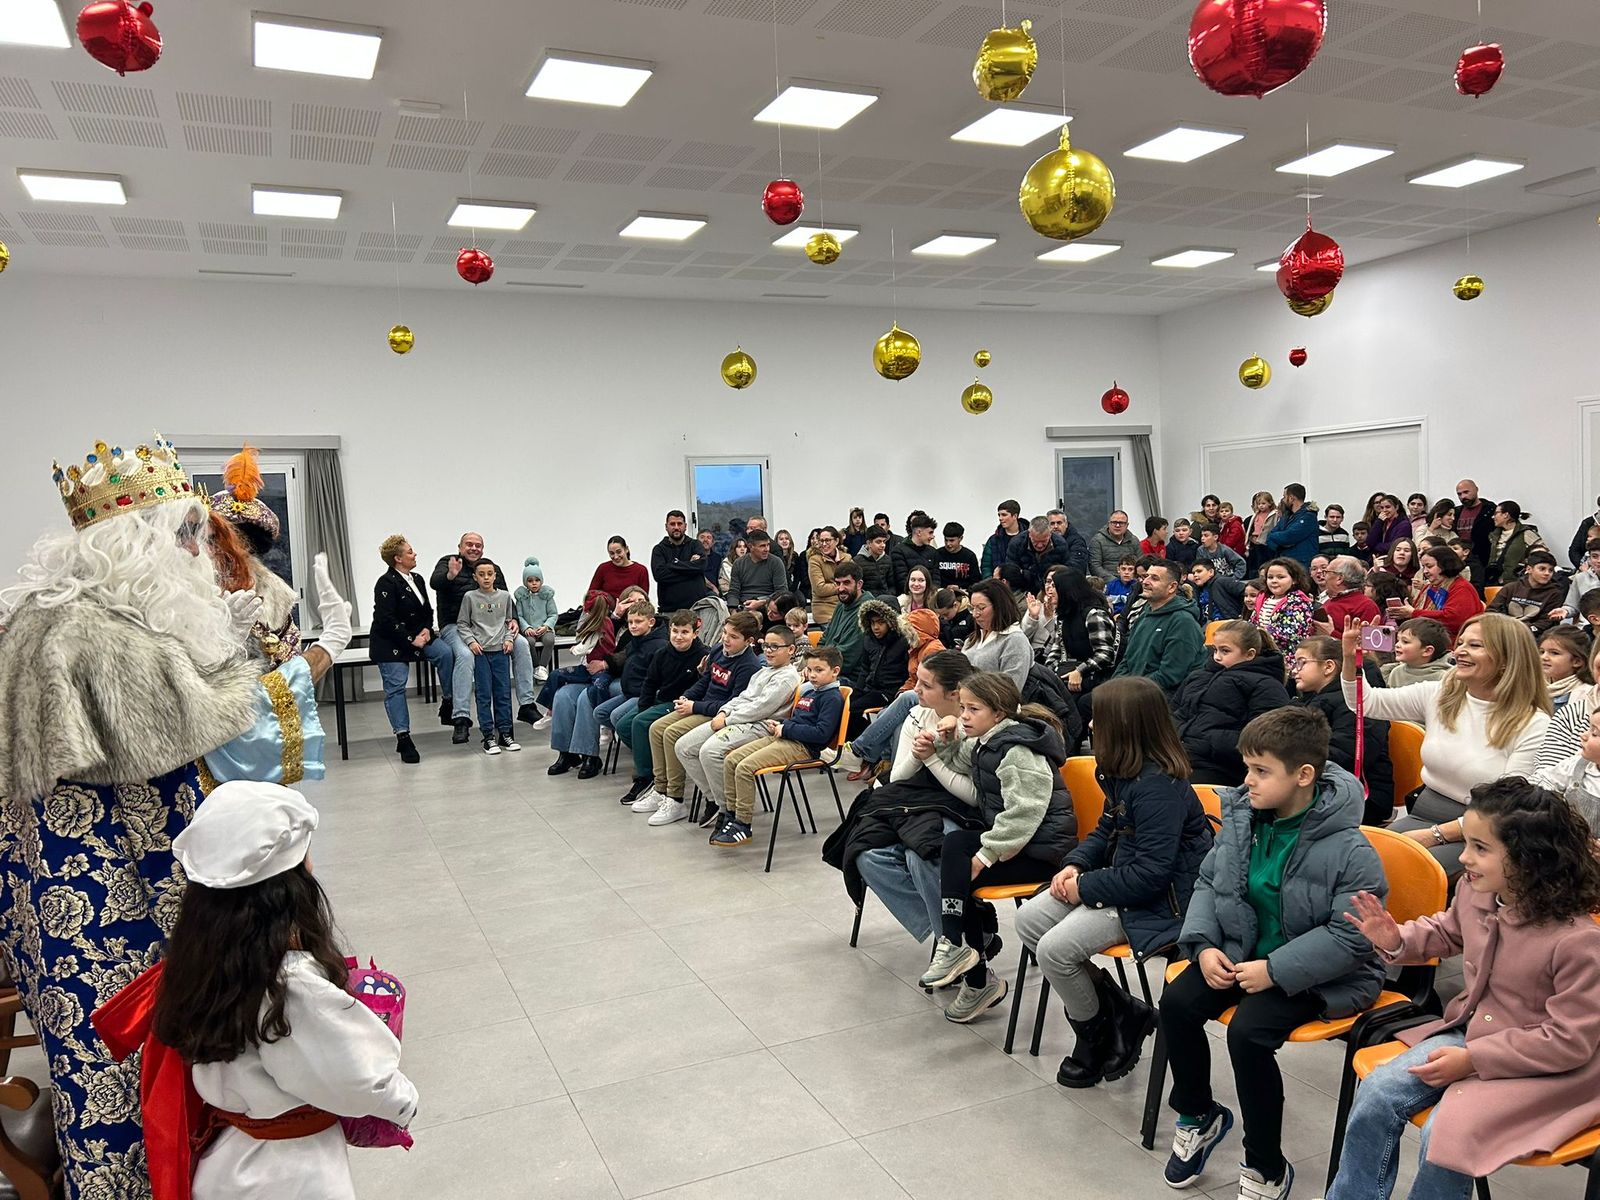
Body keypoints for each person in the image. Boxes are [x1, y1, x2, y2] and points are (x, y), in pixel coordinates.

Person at [0, 433, 345, 1198]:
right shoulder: (100, 636)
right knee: (132, 1083)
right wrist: (295, 657)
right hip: (110, 905)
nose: (200, 551)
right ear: (138, 544)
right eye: (188, 534)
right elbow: (192, 737)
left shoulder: (50, 616)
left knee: (102, 1066)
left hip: (52, 897)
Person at [103, 781, 418, 1200]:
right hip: (293, 1172)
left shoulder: (199, 963)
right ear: (292, 882)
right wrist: (404, 1101)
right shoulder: (290, 985)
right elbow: (359, 1078)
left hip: (228, 1158)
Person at [1329, 778, 1600, 1200]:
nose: (1464, 857)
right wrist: (1395, 938)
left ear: (1531, 858)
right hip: (1472, 1034)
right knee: (1378, 1094)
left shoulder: (1579, 941)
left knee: (1446, 1132)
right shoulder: (1475, 891)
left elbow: (1569, 1042)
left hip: (1547, 1067)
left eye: (1480, 847)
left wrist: (1474, 1060)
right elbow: (1446, 933)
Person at [1158, 708, 1385, 1200]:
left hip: (1323, 974)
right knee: (1176, 1004)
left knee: (1248, 1033)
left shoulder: (1350, 849)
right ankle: (1199, 1115)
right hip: (1242, 954)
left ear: (1304, 776)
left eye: (1261, 771)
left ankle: (1266, 1165)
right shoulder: (1245, 821)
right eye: (1247, 768)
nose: (1248, 781)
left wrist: (1276, 970)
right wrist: (1202, 947)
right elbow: (1208, 882)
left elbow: (1351, 939)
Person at [1016, 676, 1212, 1089]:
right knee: (1029, 921)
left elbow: (1152, 875)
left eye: (1098, 720)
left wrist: (1087, 887)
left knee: (1054, 950)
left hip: (1163, 901)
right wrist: (1074, 866)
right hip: (1124, 883)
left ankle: (1094, 1035)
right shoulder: (1125, 772)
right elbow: (1107, 829)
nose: (1088, 727)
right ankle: (1120, 1010)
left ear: (1125, 727)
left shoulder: (1158, 787)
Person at [919, 671, 1079, 1023]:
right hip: (1022, 844)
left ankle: (970, 970)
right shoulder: (991, 741)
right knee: (957, 850)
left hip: (1045, 855)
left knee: (964, 869)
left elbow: (1025, 815)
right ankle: (961, 954)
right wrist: (943, 745)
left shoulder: (1019, 750)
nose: (963, 716)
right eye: (962, 707)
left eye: (972, 709)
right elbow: (966, 764)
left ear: (1000, 713)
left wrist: (986, 853)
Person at [1342, 613, 1550, 878]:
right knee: (1353, 859)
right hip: (1424, 812)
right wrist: (1350, 658)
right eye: (1461, 642)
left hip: (1486, 832)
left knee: (1393, 871)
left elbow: (1508, 806)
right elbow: (1366, 702)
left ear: (1507, 658)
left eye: (1475, 645)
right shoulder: (1441, 693)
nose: (1460, 651)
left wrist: (1434, 835)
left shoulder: (1533, 723)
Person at [631, 611, 762, 820]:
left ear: (749, 641)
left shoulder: (749, 666)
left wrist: (695, 706)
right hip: (700, 704)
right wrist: (687, 696)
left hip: (716, 713)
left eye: (734, 637)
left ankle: (675, 798)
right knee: (656, 728)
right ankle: (660, 788)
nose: (726, 639)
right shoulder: (719, 649)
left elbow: (733, 705)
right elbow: (706, 680)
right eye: (724, 633)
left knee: (671, 733)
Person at [715, 645, 848, 848]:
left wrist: (786, 729)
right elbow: (798, 720)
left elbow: (821, 735)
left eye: (819, 670)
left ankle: (743, 824)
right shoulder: (811, 691)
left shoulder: (831, 698)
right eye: (810, 670)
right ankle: (731, 814)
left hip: (802, 747)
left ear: (835, 671)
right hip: (785, 737)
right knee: (731, 759)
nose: (812, 675)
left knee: (744, 768)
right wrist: (782, 726)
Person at [673, 624, 801, 830]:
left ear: (791, 650)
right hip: (736, 718)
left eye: (775, 647)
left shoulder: (787, 677)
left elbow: (762, 708)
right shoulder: (763, 672)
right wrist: (724, 711)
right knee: (683, 746)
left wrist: (727, 720)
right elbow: (743, 697)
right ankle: (715, 799)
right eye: (766, 646)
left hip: (759, 726)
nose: (768, 651)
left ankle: (727, 810)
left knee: (710, 751)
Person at [431, 532, 538, 736]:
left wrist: (513, 619)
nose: (473, 548)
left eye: (478, 545)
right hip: (456, 625)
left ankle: (527, 704)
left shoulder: (492, 568)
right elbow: (435, 583)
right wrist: (450, 575)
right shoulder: (448, 562)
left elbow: (507, 599)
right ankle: (461, 716)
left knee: (523, 644)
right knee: (465, 655)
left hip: (493, 626)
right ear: (460, 547)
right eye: (469, 544)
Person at [550, 601, 664, 778]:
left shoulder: (651, 637)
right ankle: (566, 753)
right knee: (562, 695)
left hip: (619, 678)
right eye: (629, 602)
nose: (633, 623)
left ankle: (590, 754)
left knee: (586, 698)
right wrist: (615, 618)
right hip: (596, 673)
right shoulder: (611, 623)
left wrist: (605, 663)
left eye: (637, 600)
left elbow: (625, 658)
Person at [1291, 635, 1394, 825]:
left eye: (1302, 663)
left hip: (1361, 795)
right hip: (1318, 783)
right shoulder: (1309, 699)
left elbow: (1347, 754)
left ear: (1328, 667)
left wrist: (1288, 762)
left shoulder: (1358, 703)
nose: (1294, 671)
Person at [371, 535, 456, 764]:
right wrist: (411, 638)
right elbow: (385, 619)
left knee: (446, 654)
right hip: (391, 642)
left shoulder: (417, 578)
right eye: (410, 552)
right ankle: (403, 737)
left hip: (420, 635)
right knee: (396, 686)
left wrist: (427, 630)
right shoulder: (385, 583)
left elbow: (427, 610)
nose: (414, 554)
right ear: (398, 558)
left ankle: (447, 703)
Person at [1173, 622, 1291, 785]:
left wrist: (1207, 741)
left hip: (1220, 768)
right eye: (1215, 650)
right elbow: (1173, 712)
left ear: (1249, 654)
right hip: (1177, 755)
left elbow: (1266, 738)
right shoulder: (1198, 676)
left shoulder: (1265, 685)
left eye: (1225, 651)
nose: (1217, 656)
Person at [617, 610, 705, 806]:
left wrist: (645, 714)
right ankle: (655, 761)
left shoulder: (703, 655)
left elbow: (701, 687)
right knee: (624, 724)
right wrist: (644, 707)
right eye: (675, 631)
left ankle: (646, 776)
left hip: (680, 704)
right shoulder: (662, 653)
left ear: (695, 634)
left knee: (640, 723)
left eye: (685, 632)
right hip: (661, 699)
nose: (678, 637)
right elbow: (650, 683)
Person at [1109, 560, 1207, 696]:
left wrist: (1127, 691)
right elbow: (1126, 661)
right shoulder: (1144, 615)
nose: (1145, 582)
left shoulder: (1183, 621)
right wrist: (1115, 687)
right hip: (1136, 689)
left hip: (1162, 697)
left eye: (1154, 578)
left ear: (1172, 587)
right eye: (1146, 577)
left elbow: (1169, 675)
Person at [459, 562, 522, 755]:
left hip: (500, 652)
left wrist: (509, 639)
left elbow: (509, 623)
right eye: (481, 574)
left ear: (495, 576)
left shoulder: (504, 597)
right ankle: (488, 736)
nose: (486, 578)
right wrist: (471, 642)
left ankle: (505, 733)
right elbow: (462, 623)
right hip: (481, 653)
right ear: (475, 577)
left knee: (503, 693)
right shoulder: (469, 597)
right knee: (484, 694)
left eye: (489, 574)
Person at [531, 589, 616, 730]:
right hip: (586, 668)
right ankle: (550, 712)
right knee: (555, 675)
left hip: (600, 670)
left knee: (600, 687)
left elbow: (584, 647)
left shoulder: (600, 626)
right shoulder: (597, 622)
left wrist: (574, 649)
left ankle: (604, 726)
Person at [848, 598, 911, 739]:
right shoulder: (869, 639)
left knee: (852, 709)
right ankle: (853, 742)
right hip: (869, 688)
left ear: (891, 622)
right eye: (872, 623)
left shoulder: (903, 641)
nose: (875, 627)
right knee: (842, 704)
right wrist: (858, 690)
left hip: (889, 692)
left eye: (881, 622)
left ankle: (865, 742)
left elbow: (908, 672)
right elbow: (865, 668)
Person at [1396, 544, 1484, 642]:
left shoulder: (1462, 587)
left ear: (1445, 565)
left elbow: (1454, 620)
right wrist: (1402, 615)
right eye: (1423, 567)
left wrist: (1413, 613)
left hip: (1452, 645)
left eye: (1429, 566)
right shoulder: (1429, 588)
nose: (1425, 572)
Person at [961, 578, 1033, 689]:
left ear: (999, 606)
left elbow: (1011, 690)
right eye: (972, 608)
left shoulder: (1015, 640)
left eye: (981, 608)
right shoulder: (973, 638)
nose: (975, 614)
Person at [1485, 547, 1565, 637]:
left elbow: (1546, 623)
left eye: (1550, 570)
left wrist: (1520, 630)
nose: (1547, 573)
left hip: (1533, 638)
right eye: (1542, 569)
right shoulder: (1511, 587)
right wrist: (1505, 627)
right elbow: (1492, 610)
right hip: (1504, 633)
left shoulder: (1554, 594)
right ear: (1529, 569)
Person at [1249, 556, 1316, 656]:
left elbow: (1291, 633)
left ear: (1294, 580)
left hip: (1288, 658)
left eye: (1280, 577)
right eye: (1270, 577)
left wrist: (1258, 635)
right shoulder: (1263, 599)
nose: (1274, 581)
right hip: (1262, 653)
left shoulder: (1299, 602)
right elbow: (1252, 624)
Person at [819, 560, 870, 683]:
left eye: (846, 583)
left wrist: (817, 667)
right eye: (837, 583)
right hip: (827, 668)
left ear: (859, 584)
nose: (841, 588)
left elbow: (847, 657)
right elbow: (824, 639)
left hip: (848, 677)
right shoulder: (842, 605)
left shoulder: (866, 611)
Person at [652, 510, 711, 611]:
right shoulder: (659, 549)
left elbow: (701, 566)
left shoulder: (695, 545)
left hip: (697, 609)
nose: (676, 527)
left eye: (679, 524)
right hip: (670, 611)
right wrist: (691, 568)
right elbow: (660, 575)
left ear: (685, 526)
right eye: (672, 524)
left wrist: (673, 564)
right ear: (666, 527)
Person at [513, 558, 558, 681]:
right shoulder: (522, 598)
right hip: (529, 630)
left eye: (537, 580)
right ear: (525, 582)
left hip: (544, 628)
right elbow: (519, 616)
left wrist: (546, 626)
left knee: (549, 640)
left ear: (541, 581)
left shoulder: (547, 596)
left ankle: (542, 668)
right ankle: (535, 667)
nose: (534, 583)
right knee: (529, 642)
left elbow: (553, 614)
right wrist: (526, 627)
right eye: (530, 580)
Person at [725, 528, 788, 611]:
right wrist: (733, 610)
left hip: (769, 605)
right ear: (751, 546)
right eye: (762, 546)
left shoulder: (776, 562)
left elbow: (781, 592)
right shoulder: (739, 563)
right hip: (744, 605)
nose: (767, 549)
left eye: (768, 545)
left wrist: (762, 602)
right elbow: (734, 591)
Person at [1484, 500, 1544, 587]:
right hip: (1494, 581)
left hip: (1516, 583)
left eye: (1496, 513)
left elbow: (1543, 555)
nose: (1493, 517)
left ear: (1506, 515)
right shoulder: (1494, 535)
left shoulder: (1526, 534)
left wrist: (1526, 566)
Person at [1380, 617, 1454, 687]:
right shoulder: (1396, 672)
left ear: (1427, 651)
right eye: (1398, 640)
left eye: (1405, 642)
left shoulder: (1444, 677)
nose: (1397, 645)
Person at [1007, 515, 1074, 592]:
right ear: (1029, 534)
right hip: (1024, 589)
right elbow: (1011, 573)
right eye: (1035, 541)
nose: (1039, 545)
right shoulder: (1016, 544)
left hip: (1052, 588)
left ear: (1050, 534)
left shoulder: (1060, 544)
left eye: (1044, 541)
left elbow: (1067, 571)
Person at [1539, 624, 1593, 713]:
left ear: (1577, 661)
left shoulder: (1587, 695)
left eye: (1554, 653)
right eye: (1542, 652)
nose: (1544, 657)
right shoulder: (1534, 686)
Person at [1263, 483, 1318, 567]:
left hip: (1302, 564)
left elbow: (1288, 537)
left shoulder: (1308, 516)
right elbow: (1270, 536)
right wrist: (1279, 544)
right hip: (1284, 561)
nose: (1283, 500)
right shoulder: (1286, 516)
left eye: (1284, 497)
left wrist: (1279, 539)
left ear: (1291, 498)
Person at [1453, 479, 1496, 586]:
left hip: (1482, 559)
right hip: (1459, 560)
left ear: (1476, 490)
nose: (1463, 496)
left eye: (1466, 492)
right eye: (1459, 494)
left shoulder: (1489, 510)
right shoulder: (1456, 512)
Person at [807, 526, 852, 624]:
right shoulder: (814, 560)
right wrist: (844, 586)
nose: (823, 544)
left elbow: (854, 583)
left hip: (847, 608)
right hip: (825, 609)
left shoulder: (847, 558)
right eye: (821, 541)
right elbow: (820, 589)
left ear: (836, 541)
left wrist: (836, 587)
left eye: (827, 540)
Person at [890, 513, 943, 595]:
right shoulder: (898, 551)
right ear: (919, 532)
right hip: (907, 597)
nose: (933, 536)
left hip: (930, 597)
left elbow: (936, 579)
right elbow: (901, 581)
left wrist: (930, 595)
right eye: (930, 533)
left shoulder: (933, 552)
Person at [1187, 558, 1246, 623]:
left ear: (1211, 572)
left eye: (1199, 571)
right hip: (1209, 628)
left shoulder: (1222, 581)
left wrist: (1242, 617)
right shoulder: (1197, 589)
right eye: (1193, 573)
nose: (1195, 575)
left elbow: (1247, 592)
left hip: (1229, 626)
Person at [1089, 510, 1137, 581]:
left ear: (1127, 525)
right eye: (1114, 522)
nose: (1117, 525)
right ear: (1109, 524)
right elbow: (1095, 567)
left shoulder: (1134, 541)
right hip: (1107, 583)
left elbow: (1140, 564)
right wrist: (1115, 581)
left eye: (1121, 523)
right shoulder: (1097, 540)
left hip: (1131, 581)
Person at [982, 500, 1024, 579]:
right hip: (997, 586)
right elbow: (986, 566)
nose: (1000, 518)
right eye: (999, 515)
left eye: (1004, 515)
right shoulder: (993, 540)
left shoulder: (1028, 538)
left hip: (1022, 586)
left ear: (1015, 516)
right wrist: (992, 582)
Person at [1245, 490, 1280, 574]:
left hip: (1268, 541)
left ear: (1270, 503)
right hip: (1256, 541)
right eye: (1259, 504)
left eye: (1263, 503)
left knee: (1269, 561)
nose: (1261, 506)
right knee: (1259, 561)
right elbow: (1250, 528)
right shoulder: (1255, 515)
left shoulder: (1274, 514)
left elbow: (1275, 526)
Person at [854, 527, 895, 597]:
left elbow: (892, 585)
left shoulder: (887, 559)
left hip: (886, 599)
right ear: (869, 543)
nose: (883, 545)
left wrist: (889, 596)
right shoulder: (857, 561)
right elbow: (856, 588)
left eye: (884, 541)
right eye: (878, 542)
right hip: (866, 601)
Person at [1368, 494, 1406, 559]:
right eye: (1382, 508)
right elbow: (1369, 542)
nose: (1384, 510)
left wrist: (1375, 546)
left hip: (1394, 559)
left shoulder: (1404, 524)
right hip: (1379, 559)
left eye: (1388, 507)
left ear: (1396, 507)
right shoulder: (1382, 522)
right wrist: (1379, 522)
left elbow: (1394, 546)